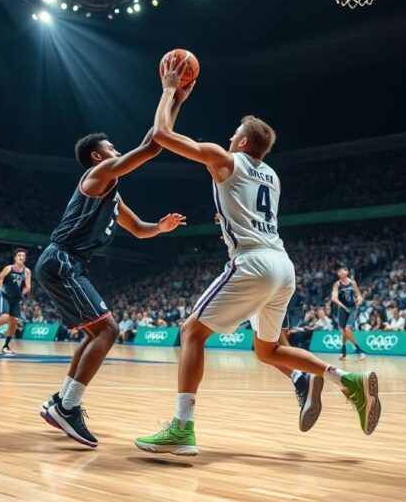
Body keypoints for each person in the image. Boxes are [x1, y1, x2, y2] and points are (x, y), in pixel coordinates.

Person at [135, 57, 380, 457]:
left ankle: (181, 427)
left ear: (244, 143)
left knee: (191, 332)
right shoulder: (272, 176)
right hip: (283, 265)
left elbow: (161, 135)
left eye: (235, 134)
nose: (229, 137)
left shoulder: (224, 158)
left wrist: (169, 92)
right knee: (268, 350)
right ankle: (345, 379)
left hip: (253, 262)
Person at [36, 68, 188, 449]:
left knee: (96, 332)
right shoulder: (98, 173)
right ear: (97, 156)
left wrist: (161, 227)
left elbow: (139, 229)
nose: (118, 152)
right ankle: (68, 407)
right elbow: (152, 148)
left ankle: (60, 401)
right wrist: (168, 92)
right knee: (109, 330)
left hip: (66, 263)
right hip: (62, 259)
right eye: (113, 148)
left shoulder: (112, 195)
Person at [0, 248, 32, 355]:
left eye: (23, 256)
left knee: (14, 321)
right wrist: (2, 289)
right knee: (5, 317)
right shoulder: (9, 268)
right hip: (5, 296)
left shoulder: (27, 271)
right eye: (19, 255)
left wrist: (23, 292)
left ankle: (5, 346)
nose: (21, 257)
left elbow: (28, 286)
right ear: (15, 258)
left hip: (16, 298)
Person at [330, 265, 366, 360]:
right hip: (342, 309)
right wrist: (343, 307)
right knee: (343, 332)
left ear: (347, 272)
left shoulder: (353, 282)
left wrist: (359, 300)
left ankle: (358, 350)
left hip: (353, 308)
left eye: (345, 270)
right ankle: (344, 353)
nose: (343, 271)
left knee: (347, 329)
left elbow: (359, 296)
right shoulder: (336, 284)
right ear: (338, 274)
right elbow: (334, 298)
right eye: (341, 271)